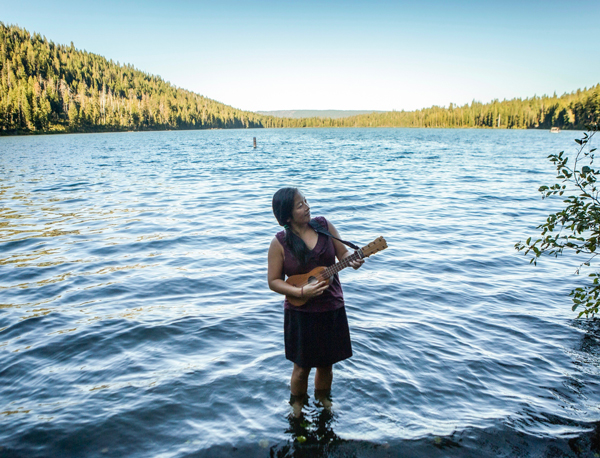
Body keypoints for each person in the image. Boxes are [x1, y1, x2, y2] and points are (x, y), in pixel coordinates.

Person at [267, 187, 364, 414]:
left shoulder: (323, 226)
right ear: (287, 216)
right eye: (300, 205)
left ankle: (323, 401)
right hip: (300, 312)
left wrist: (353, 260)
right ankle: (297, 406)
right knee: (301, 367)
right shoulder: (280, 242)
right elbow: (273, 281)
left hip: (331, 307)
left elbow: (344, 254)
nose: (307, 207)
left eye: (306, 201)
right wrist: (302, 293)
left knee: (326, 364)